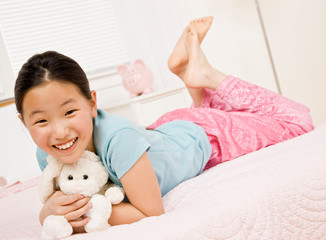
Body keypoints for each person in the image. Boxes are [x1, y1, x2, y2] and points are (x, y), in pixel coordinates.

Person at [14, 16, 313, 232]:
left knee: (297, 121)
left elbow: (149, 211)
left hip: (206, 136)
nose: (59, 132)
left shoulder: (120, 142)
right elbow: (62, 198)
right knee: (224, 114)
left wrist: (80, 216)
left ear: (92, 103)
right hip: (166, 131)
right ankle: (188, 75)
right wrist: (47, 212)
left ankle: (205, 75)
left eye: (69, 112)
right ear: (24, 123)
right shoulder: (48, 154)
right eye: (41, 120)